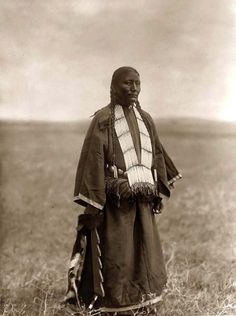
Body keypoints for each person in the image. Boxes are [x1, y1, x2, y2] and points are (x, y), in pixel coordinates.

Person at [64, 66, 182, 315]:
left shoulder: (145, 119)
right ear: (114, 86)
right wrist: (94, 201)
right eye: (128, 83)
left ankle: (143, 299)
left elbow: (157, 154)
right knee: (117, 251)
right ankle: (113, 302)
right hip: (116, 198)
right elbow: (93, 158)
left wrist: (157, 190)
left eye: (137, 83)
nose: (134, 88)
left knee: (143, 249)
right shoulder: (104, 119)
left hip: (143, 196)